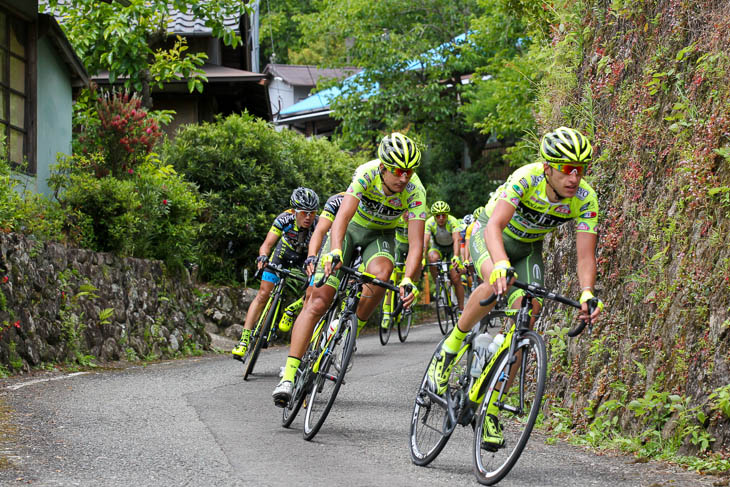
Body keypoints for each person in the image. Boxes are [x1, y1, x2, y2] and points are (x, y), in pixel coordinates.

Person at [426, 127, 604, 448]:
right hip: (490, 234)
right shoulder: (527, 178)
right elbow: (494, 225)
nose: (574, 177)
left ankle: (491, 408)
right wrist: (499, 264)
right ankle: (449, 350)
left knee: (528, 316)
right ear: (548, 168)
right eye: (566, 168)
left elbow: (585, 255)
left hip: (526, 249)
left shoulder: (584, 198)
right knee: (495, 285)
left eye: (581, 169)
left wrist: (587, 292)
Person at [272, 132, 427, 406]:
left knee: (382, 276)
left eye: (409, 171)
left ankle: (349, 331)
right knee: (318, 300)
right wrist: (333, 251)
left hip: (380, 237)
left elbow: (415, 245)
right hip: (350, 230)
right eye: (398, 171)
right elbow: (341, 218)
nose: (404, 178)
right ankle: (289, 375)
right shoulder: (366, 174)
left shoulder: (416, 191)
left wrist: (409, 280)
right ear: (383, 167)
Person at [231, 187, 320, 361]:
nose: (308, 217)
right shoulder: (284, 219)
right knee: (263, 294)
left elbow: (319, 251)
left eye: (312, 212)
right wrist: (263, 256)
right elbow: (267, 244)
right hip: (283, 253)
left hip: (306, 257)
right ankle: (244, 340)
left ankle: (291, 310)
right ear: (295, 211)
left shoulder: (318, 224)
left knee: (315, 291)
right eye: (304, 213)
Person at [423, 201, 465, 312]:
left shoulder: (452, 221)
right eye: (438, 215)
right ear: (434, 216)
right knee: (431, 258)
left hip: (452, 249)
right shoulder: (429, 223)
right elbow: (425, 242)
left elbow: (456, 240)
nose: (441, 218)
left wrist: (456, 256)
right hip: (438, 247)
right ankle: (438, 284)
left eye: (444, 215)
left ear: (447, 215)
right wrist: (422, 258)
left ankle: (461, 309)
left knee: (456, 279)